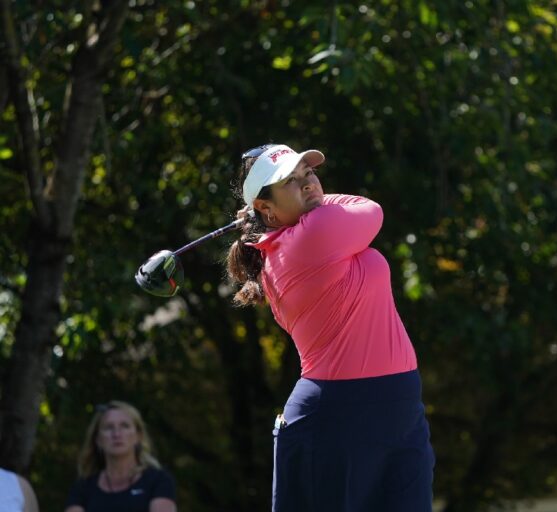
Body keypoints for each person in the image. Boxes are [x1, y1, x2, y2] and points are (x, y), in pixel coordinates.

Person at [227, 144, 435, 511]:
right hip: (341, 413)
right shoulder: (311, 234)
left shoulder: (290, 240)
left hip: (396, 408)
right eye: (291, 182)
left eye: (309, 175)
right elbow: (371, 210)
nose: (309, 185)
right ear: (265, 207)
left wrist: (268, 215)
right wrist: (294, 209)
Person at [64, 400, 176, 512]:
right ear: (98, 440)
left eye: (125, 426)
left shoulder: (158, 481)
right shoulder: (82, 488)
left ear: (138, 436)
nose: (117, 434)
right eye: (108, 427)